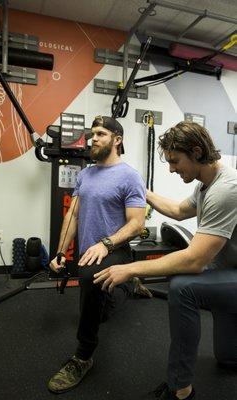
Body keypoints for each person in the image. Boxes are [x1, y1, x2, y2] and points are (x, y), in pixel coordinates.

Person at [94, 121, 237, 400]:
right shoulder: (207, 183)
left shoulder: (225, 189)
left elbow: (194, 260)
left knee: (183, 285)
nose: (172, 168)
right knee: (229, 360)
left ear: (196, 152)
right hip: (229, 271)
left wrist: (131, 269)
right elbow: (177, 210)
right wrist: (139, 188)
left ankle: (180, 389)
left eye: (175, 161)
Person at [48, 115, 151, 394]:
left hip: (114, 248)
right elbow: (73, 215)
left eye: (101, 134)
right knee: (101, 307)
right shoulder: (85, 174)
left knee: (91, 279)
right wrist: (60, 252)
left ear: (117, 140)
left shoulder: (130, 176)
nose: (94, 138)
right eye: (92, 134)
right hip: (88, 251)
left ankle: (83, 356)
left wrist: (106, 244)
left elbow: (136, 224)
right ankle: (129, 283)